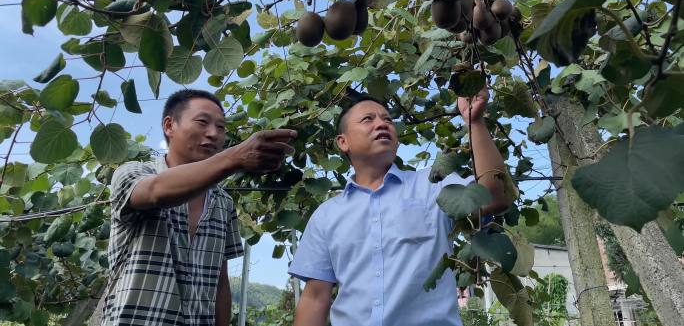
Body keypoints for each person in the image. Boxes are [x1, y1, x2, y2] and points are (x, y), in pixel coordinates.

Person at [288, 87, 509, 326]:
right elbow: (315, 298)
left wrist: (474, 122)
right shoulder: (326, 215)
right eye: (367, 119)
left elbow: (495, 196)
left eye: (388, 120)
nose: (382, 124)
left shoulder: (433, 185)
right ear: (343, 142)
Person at [101, 89, 297, 326]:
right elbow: (155, 192)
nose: (213, 133)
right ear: (169, 126)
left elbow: (220, 282)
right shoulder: (133, 173)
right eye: (202, 122)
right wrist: (232, 158)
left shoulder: (222, 202)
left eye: (221, 127)